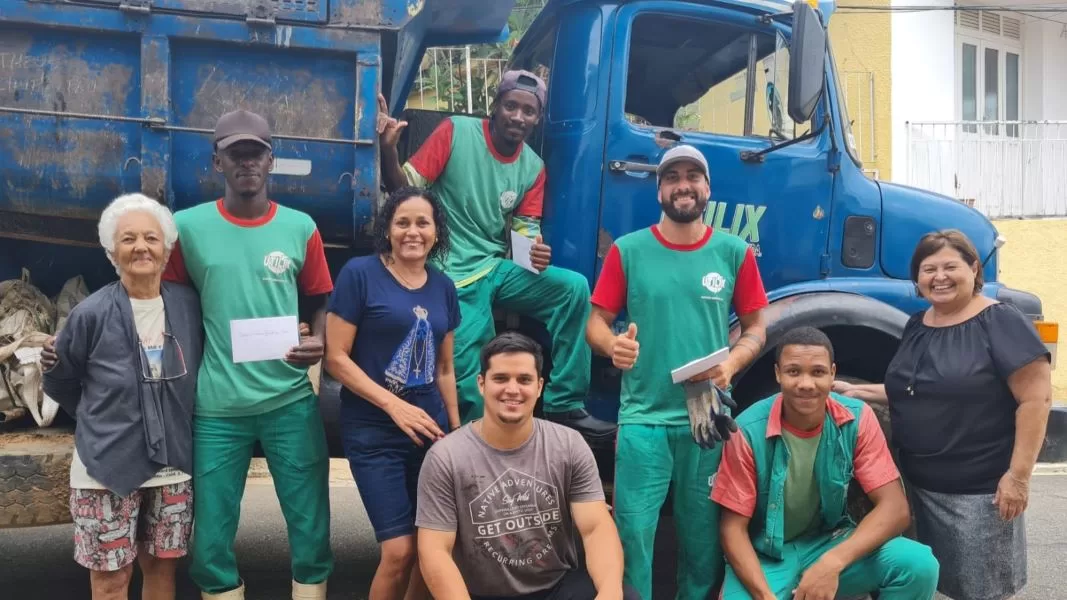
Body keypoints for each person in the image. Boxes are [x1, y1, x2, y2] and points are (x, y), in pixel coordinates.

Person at [376, 71, 615, 442]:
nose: (518, 117)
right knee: (468, 361)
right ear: (495, 106)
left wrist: (534, 252)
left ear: (537, 119)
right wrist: (388, 149)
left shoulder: (533, 167)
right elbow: (405, 192)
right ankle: (471, 444)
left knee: (573, 288)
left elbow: (523, 229)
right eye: (511, 106)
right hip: (450, 269)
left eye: (529, 111)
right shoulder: (456, 132)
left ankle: (565, 403)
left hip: (495, 266)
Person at [162, 109, 335, 600]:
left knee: (311, 527)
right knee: (211, 538)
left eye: (255, 152)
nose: (246, 162)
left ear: (270, 159)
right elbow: (174, 306)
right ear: (217, 161)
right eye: (235, 153)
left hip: (289, 402)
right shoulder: (187, 228)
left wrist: (317, 340)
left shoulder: (301, 228)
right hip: (218, 408)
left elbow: (319, 297)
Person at [585, 144, 769, 600]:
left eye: (693, 176)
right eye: (672, 177)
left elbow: (757, 329)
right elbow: (595, 324)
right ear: (659, 189)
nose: (683, 185)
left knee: (703, 541)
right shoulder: (629, 250)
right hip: (643, 419)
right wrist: (613, 347)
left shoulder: (734, 252)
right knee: (632, 538)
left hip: (705, 420)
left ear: (707, 188)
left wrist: (732, 363)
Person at [833, 229, 1052, 600]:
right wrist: (855, 391)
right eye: (928, 269)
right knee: (934, 581)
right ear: (917, 279)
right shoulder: (919, 325)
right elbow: (915, 389)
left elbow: (1036, 399)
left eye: (951, 266)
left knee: (982, 591)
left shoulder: (1000, 321)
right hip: (917, 485)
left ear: (973, 269)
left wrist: (1018, 478)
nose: (939, 277)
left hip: (978, 493)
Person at [41, 193, 203, 600]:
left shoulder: (188, 305)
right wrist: (100, 417)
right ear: (112, 250)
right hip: (106, 466)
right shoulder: (90, 313)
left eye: (151, 237)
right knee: (112, 580)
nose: (141, 247)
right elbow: (60, 382)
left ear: (167, 249)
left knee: (162, 571)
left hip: (172, 465)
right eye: (128, 239)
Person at [713, 326, 940, 600]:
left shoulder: (856, 418)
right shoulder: (748, 430)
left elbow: (895, 508)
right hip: (768, 555)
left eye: (817, 372)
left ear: (832, 373)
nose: (806, 384)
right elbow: (732, 529)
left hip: (830, 542)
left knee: (918, 565)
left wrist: (832, 563)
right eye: (794, 371)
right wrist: (765, 596)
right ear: (777, 374)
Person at [414, 332, 639, 600]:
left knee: (626, 596)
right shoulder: (446, 457)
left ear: (540, 386)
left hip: (555, 587)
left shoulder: (568, 445)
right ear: (481, 384)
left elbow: (595, 528)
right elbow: (435, 551)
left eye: (524, 379)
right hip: (481, 594)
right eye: (500, 378)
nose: (512, 389)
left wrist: (610, 591)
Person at [324, 186, 461, 600]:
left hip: (431, 433)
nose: (412, 232)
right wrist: (394, 406)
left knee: (430, 550)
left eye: (423, 222)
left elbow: (444, 367)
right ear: (388, 228)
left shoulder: (443, 287)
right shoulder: (360, 274)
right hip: (374, 431)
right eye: (402, 222)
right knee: (399, 550)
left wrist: (455, 431)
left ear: (437, 232)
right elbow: (336, 358)